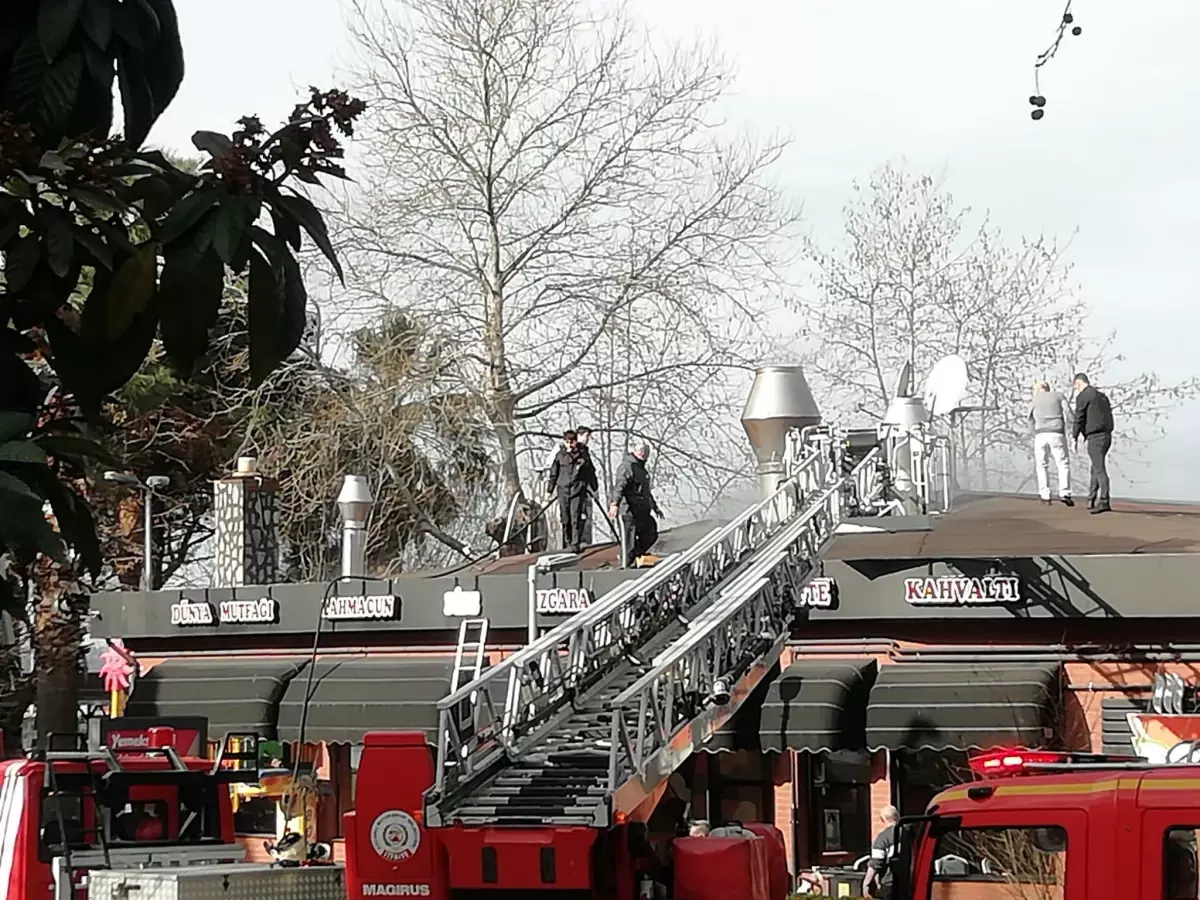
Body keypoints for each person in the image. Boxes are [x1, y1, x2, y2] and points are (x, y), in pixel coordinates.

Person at [609, 441, 662, 567]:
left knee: (650, 533)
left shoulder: (641, 469)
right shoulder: (627, 467)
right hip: (629, 510)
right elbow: (620, 486)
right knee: (629, 540)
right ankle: (626, 562)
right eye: (643, 451)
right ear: (638, 451)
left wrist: (654, 507)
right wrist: (615, 503)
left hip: (642, 510)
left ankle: (635, 555)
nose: (645, 454)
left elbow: (645, 491)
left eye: (647, 451)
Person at [545, 430, 595, 552]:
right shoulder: (559, 456)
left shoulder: (583, 455)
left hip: (577, 490)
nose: (569, 445)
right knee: (565, 518)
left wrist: (594, 488)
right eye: (567, 442)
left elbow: (590, 472)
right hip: (563, 490)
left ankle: (575, 544)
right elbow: (553, 474)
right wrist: (549, 490)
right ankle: (567, 542)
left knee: (575, 517)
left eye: (571, 442)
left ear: (575, 441)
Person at [1072, 372, 1114, 514]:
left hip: (1095, 436)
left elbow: (1079, 416)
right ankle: (1091, 498)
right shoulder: (1102, 397)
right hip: (1107, 435)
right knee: (1095, 467)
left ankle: (1104, 500)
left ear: (1078, 383)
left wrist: (1075, 436)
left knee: (1099, 468)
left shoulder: (1084, 396)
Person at [1029, 380, 1073, 507]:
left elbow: (1029, 418)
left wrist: (1034, 432)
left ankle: (1045, 494)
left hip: (1040, 434)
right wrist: (1071, 428)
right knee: (1063, 463)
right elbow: (1068, 413)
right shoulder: (1059, 396)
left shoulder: (1034, 400)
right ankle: (1065, 492)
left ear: (1038, 389)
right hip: (1056, 432)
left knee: (1041, 465)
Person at [863, 805, 899, 900]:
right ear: (897, 816)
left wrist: (866, 884)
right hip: (911, 883)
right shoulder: (909, 834)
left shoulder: (883, 837)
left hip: (890, 885)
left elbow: (876, 863)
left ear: (882, 819)